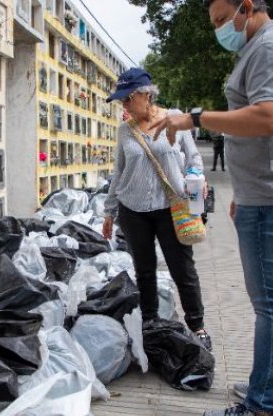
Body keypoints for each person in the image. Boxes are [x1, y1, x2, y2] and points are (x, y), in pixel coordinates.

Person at [148, 1, 273, 416]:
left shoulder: (272, 46)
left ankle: (261, 409)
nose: (220, 30)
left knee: (271, 305)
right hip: (268, 192)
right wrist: (243, 191)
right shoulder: (265, 46)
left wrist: (194, 119)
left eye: (223, 20)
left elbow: (267, 117)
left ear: (248, 7)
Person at [102, 67, 212, 350]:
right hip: (133, 209)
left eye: (128, 99)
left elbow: (194, 157)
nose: (124, 106)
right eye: (122, 101)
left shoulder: (175, 119)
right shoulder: (125, 131)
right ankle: (150, 323)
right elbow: (119, 171)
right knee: (145, 270)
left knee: (182, 268)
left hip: (170, 207)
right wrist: (109, 211)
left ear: (145, 95)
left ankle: (197, 326)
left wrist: (196, 179)